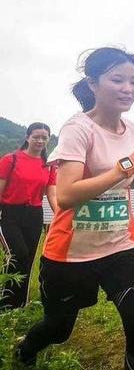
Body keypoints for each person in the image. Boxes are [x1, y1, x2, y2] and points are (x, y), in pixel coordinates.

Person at [15, 47, 134, 370]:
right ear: (93, 84)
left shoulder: (132, 129)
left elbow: (124, 179)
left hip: (122, 246)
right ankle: (25, 350)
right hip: (72, 253)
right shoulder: (77, 129)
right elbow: (65, 196)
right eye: (117, 79)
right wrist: (127, 165)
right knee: (58, 329)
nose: (128, 88)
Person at [0, 122, 58, 310]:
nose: (40, 141)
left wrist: (59, 214)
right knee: (16, 255)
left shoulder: (48, 165)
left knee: (29, 258)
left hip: (34, 214)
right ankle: (5, 304)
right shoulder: (11, 159)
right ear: (27, 137)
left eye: (44, 137)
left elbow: (52, 192)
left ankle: (18, 306)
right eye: (36, 137)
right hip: (9, 213)